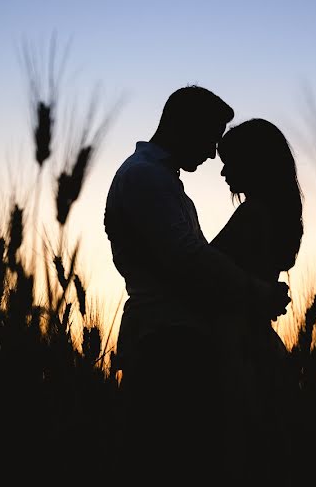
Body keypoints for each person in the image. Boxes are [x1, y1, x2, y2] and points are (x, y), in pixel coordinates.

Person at [104, 86, 291, 485]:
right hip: (168, 343)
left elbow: (197, 262)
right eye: (210, 138)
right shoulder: (145, 178)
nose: (211, 155)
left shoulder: (163, 183)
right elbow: (189, 259)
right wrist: (258, 294)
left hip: (184, 343)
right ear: (183, 125)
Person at [210, 118, 303, 485]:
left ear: (253, 164)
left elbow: (207, 271)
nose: (222, 173)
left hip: (232, 344)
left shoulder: (252, 215)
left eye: (229, 162)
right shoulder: (276, 216)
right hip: (256, 339)